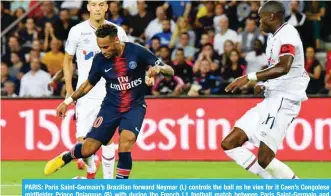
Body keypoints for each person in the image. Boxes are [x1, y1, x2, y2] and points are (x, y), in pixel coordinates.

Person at [44, 24, 174, 179]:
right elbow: (87, 85)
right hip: (110, 108)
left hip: (134, 106)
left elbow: (170, 71)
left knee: (126, 141)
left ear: (116, 40)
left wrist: (159, 69)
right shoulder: (99, 59)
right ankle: (66, 157)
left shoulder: (136, 51)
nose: (103, 51)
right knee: (87, 149)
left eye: (106, 47)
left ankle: (119, 187)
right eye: (100, 47)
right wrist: (67, 102)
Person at [221, 1, 309, 179]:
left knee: (265, 158)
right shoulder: (273, 37)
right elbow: (281, 71)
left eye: (261, 18)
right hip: (271, 98)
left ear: (272, 16)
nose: (259, 22)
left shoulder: (288, 34)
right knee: (229, 143)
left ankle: (301, 189)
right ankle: (270, 183)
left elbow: (284, 67)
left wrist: (249, 77)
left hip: (284, 101)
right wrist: (265, 84)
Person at [61, 0, 128, 179]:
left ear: (106, 7)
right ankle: (91, 172)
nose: (97, 8)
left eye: (101, 4)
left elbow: (126, 59)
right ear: (88, 7)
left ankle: (107, 183)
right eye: (93, 4)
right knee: (83, 141)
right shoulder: (77, 31)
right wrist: (69, 89)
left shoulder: (117, 31)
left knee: (107, 138)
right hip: (85, 91)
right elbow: (68, 60)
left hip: (109, 91)